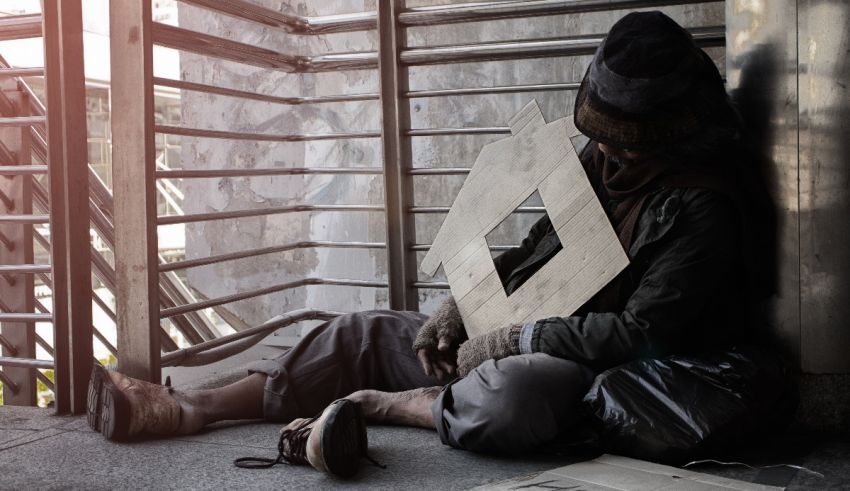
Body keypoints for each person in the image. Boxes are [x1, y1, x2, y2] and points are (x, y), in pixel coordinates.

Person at [86, 11, 750, 478]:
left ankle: (378, 406)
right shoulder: (605, 161)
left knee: (511, 395)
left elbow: (640, 335)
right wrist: (462, 309)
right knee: (364, 331)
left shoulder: (702, 206)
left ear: (664, 130)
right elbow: (539, 247)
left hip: (587, 367)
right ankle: (188, 406)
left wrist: (512, 341)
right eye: (600, 130)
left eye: (620, 135)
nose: (604, 147)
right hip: (521, 327)